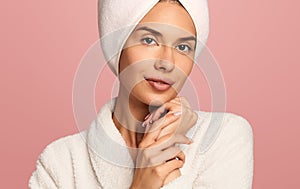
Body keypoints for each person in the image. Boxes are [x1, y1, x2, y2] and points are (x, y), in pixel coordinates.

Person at [29, 0, 254, 188]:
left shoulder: (224, 137)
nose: (167, 62)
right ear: (118, 47)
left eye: (183, 47)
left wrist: (164, 146)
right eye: (149, 40)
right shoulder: (59, 162)